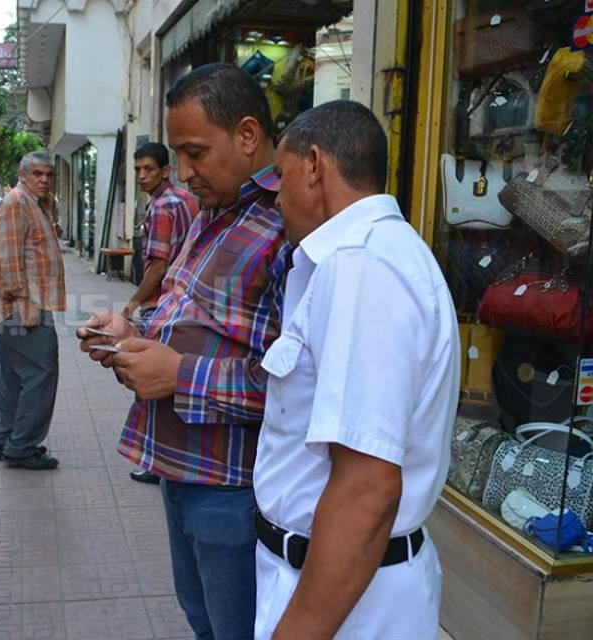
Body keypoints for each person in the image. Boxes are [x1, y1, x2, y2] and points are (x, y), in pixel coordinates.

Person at [78, 63, 289, 640]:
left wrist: (178, 375)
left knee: (235, 630)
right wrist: (131, 336)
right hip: (181, 468)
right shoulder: (211, 213)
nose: (184, 173)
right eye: (178, 155)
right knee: (202, 620)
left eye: (195, 153)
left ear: (247, 135)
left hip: (232, 485)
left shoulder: (286, 227)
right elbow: (186, 313)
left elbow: (297, 389)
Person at [253, 100, 460, 640]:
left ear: (315, 165)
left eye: (280, 174)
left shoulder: (361, 265)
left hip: (348, 604)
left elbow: (367, 488)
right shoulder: (365, 257)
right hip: (339, 587)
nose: (275, 195)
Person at [121, 141, 199, 485]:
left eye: (148, 169)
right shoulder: (188, 199)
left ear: (165, 171)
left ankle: (158, 462)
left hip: (162, 303)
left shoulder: (162, 207)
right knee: (177, 378)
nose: (141, 176)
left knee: (151, 379)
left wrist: (131, 304)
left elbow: (158, 266)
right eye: (137, 169)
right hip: (189, 302)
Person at [0, 151, 66, 470]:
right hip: (24, 306)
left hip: (24, 305)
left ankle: (9, 440)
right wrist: (24, 302)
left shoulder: (36, 203)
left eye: (49, 175)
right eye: (37, 174)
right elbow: (8, 258)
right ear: (23, 175)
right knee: (41, 373)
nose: (44, 180)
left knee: (15, 377)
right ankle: (22, 446)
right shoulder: (16, 202)